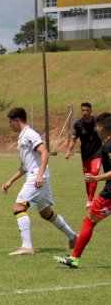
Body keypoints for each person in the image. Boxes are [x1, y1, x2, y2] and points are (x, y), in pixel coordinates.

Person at [1, 107, 77, 256]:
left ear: (17, 120)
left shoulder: (29, 134)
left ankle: (27, 246)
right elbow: (24, 166)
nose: (10, 125)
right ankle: (73, 237)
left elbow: (45, 153)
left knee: (18, 208)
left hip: (37, 177)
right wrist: (10, 181)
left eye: (10, 122)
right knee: (45, 212)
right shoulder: (22, 136)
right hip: (35, 175)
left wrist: (40, 175)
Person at [56, 112, 111, 268]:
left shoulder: (108, 146)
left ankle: (74, 258)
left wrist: (96, 178)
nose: (95, 128)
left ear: (101, 127)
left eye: (97, 126)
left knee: (90, 220)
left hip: (110, 192)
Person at [65, 102, 103, 207]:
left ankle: (90, 200)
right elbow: (73, 140)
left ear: (91, 111)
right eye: (83, 110)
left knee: (94, 173)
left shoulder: (97, 121)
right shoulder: (78, 124)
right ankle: (89, 198)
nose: (85, 112)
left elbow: (105, 133)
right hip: (85, 155)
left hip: (98, 153)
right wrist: (69, 150)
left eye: (87, 110)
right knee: (87, 178)